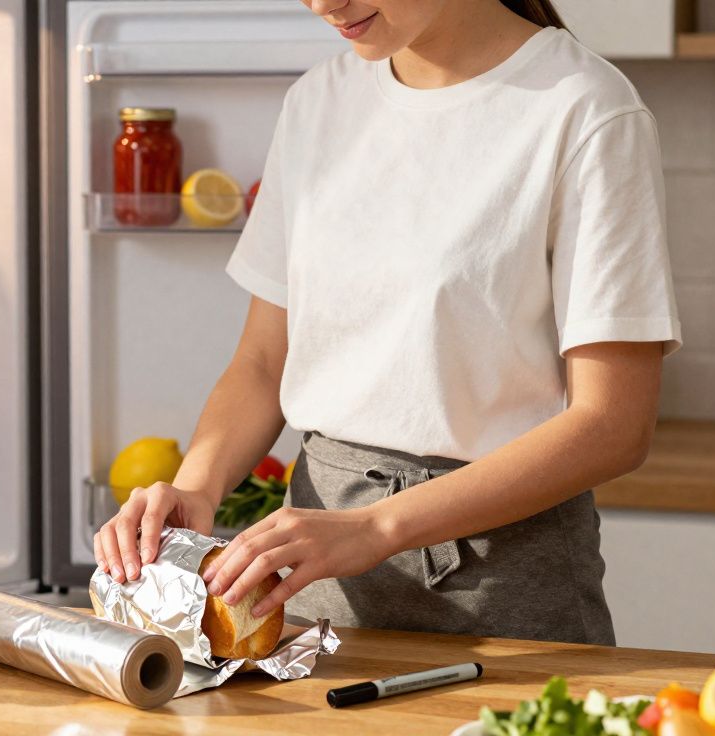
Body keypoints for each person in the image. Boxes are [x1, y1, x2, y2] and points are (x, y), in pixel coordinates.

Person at [92, 0, 681, 645]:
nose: (323, 4)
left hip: (503, 586)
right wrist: (195, 490)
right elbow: (264, 362)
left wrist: (378, 527)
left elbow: (614, 425)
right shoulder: (319, 102)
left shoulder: (585, 109)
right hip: (316, 579)